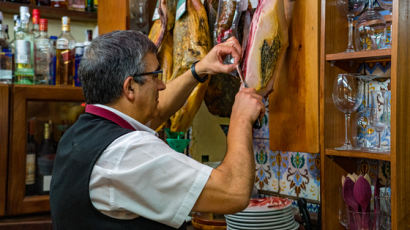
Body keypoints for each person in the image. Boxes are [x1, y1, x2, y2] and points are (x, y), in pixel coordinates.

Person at [50, 30, 265, 230]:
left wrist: (199, 69)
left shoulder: (82, 133)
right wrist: (241, 118)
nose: (161, 86)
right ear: (130, 87)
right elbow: (233, 192)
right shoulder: (127, 151)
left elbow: (158, 110)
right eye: (155, 76)